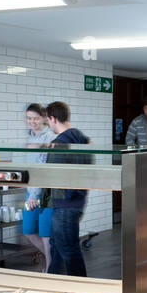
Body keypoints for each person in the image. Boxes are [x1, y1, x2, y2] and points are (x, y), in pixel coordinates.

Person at [44, 101, 91, 276]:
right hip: (77, 202)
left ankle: (81, 287)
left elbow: (54, 177)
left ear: (53, 119)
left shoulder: (59, 143)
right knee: (57, 246)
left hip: (63, 204)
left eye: (48, 120)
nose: (48, 125)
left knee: (69, 250)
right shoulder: (82, 138)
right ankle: (53, 281)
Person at [20, 103, 55, 266]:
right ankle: (53, 261)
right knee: (28, 230)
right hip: (31, 193)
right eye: (28, 118)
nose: (32, 121)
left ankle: (50, 267)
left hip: (46, 193)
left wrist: (34, 194)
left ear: (44, 118)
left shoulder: (50, 138)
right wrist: (31, 193)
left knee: (45, 232)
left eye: (35, 118)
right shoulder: (30, 137)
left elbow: (43, 167)